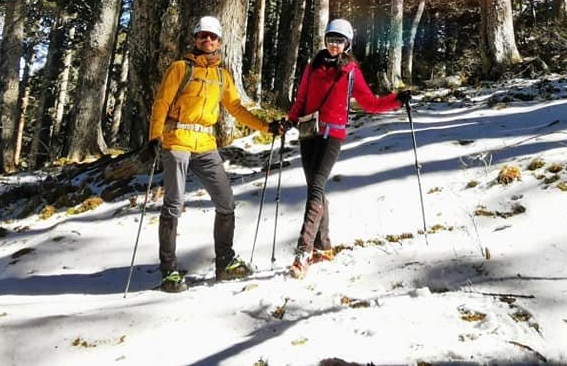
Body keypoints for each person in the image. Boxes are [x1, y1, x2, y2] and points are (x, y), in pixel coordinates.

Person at [148, 15, 285, 293]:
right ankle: (169, 271)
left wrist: (266, 126)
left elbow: (236, 108)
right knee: (173, 204)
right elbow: (161, 102)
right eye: (202, 36)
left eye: (212, 37)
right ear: (195, 39)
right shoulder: (180, 68)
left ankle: (225, 262)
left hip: (206, 145)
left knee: (226, 201)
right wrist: (154, 137)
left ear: (220, 41)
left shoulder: (222, 74)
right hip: (177, 142)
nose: (207, 40)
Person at [285, 18, 411, 279]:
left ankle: (303, 251)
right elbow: (301, 98)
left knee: (317, 187)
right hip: (309, 132)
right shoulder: (313, 64)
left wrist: (397, 100)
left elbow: (370, 103)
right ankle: (324, 247)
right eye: (331, 39)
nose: (334, 45)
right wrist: (289, 120)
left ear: (347, 44)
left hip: (333, 135)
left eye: (339, 41)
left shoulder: (351, 71)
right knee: (315, 190)